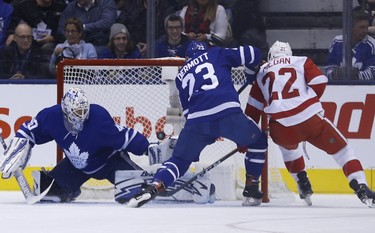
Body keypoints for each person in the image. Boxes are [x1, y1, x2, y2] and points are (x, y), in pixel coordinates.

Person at [127, 40, 268, 208]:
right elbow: (254, 53)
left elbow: (188, 113)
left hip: (197, 122)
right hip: (228, 114)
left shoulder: (180, 76)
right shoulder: (216, 53)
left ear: (187, 57)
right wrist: (251, 73)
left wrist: (208, 132)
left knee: (179, 160)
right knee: (258, 141)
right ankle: (251, 188)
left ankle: (155, 185)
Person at [246, 41, 375, 207]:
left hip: (280, 127)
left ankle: (302, 181)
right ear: (289, 54)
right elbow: (320, 81)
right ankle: (361, 186)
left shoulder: (261, 73)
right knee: (343, 151)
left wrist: (246, 138)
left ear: (270, 56)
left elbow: (252, 110)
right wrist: (307, 103)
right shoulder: (300, 61)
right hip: (309, 120)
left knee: (288, 147)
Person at [0, 87, 150, 203]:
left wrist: (147, 149)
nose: (81, 116)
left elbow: (126, 137)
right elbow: (28, 131)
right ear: (65, 110)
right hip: (74, 167)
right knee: (49, 190)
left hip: (110, 164)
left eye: (84, 111)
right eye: (77, 111)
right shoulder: (52, 116)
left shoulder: (98, 117)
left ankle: (163, 179)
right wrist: (17, 150)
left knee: (142, 191)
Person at [5, 0, 67, 70]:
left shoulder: (62, 8)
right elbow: (13, 25)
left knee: (47, 47)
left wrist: (53, 37)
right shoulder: (23, 6)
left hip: (51, 45)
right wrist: (11, 33)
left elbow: (65, 32)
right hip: (29, 42)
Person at [325, 10, 375, 81]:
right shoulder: (336, 42)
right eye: (361, 27)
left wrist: (356, 76)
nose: (365, 31)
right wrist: (334, 74)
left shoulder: (372, 44)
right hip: (339, 87)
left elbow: (373, 72)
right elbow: (329, 67)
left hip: (363, 88)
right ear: (350, 27)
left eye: (366, 27)